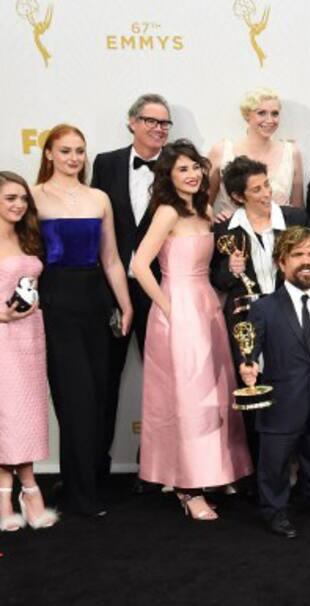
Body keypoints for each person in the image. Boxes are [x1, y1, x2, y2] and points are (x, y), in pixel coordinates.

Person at [131, 139, 252, 521]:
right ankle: (187, 487)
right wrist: (168, 307)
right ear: (168, 176)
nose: (193, 174)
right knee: (187, 398)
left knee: (215, 393)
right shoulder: (166, 212)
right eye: (182, 169)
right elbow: (139, 265)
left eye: (195, 167)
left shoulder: (202, 208)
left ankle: (214, 471)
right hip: (179, 309)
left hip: (207, 304)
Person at [33, 124, 133, 517]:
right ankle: (79, 493)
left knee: (97, 396)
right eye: (65, 151)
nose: (74, 158)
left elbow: (110, 258)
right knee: (73, 399)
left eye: (79, 151)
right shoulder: (34, 196)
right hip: (55, 301)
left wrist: (125, 305)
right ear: (49, 154)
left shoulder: (99, 197)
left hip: (96, 300)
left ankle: (84, 482)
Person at [240, 227, 310, 538]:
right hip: (280, 401)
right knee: (273, 465)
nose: (307, 261)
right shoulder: (264, 307)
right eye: (298, 255)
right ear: (281, 262)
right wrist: (247, 367)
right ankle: (274, 512)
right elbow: (250, 348)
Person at [91, 93, 171, 492]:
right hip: (113, 290)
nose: (158, 128)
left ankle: (155, 470)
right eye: (150, 121)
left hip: (159, 289)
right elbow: (94, 224)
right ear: (132, 122)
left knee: (162, 382)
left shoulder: (176, 167)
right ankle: (95, 468)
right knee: (105, 380)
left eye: (164, 123)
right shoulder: (105, 163)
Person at [211, 155, 309, 471]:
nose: (266, 193)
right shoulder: (225, 228)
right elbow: (217, 279)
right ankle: (260, 475)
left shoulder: (296, 219)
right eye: (256, 189)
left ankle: (295, 471)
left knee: (294, 391)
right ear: (239, 196)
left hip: (291, 318)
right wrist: (229, 269)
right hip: (245, 323)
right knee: (253, 395)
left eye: (266, 184)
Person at [0, 171, 57, 531]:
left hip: (31, 337)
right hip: (2, 338)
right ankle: (26, 491)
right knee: (8, 417)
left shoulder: (28, 237)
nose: (19, 204)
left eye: (23, 199)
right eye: (10, 198)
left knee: (27, 415)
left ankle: (15, 491)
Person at [209, 87, 304, 216]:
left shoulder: (291, 153)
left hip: (280, 234)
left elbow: (297, 211)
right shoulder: (221, 151)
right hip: (233, 233)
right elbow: (204, 205)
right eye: (261, 113)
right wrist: (216, 221)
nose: (270, 120)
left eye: (275, 113)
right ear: (247, 115)